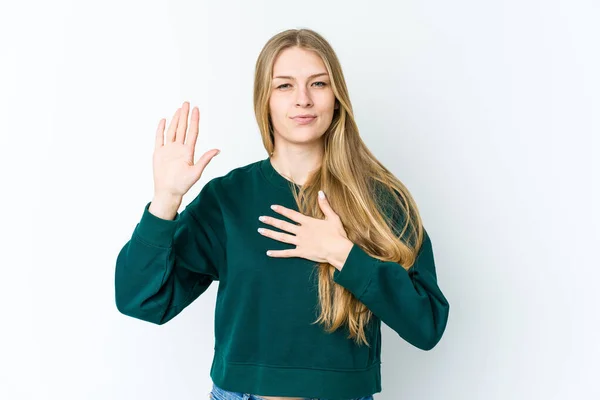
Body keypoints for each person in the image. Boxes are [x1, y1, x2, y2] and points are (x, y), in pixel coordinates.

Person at [115, 28, 450, 400]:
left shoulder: (380, 199)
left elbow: (427, 325)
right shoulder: (228, 198)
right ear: (266, 101)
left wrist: (343, 255)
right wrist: (165, 202)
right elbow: (141, 300)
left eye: (318, 84)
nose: (303, 100)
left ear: (337, 98)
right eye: (285, 86)